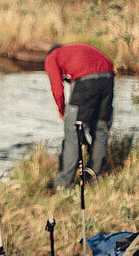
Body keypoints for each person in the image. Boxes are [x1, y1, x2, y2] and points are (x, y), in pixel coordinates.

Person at [44, 42, 115, 189]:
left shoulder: (52, 57)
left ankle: (63, 186)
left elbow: (57, 88)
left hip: (86, 81)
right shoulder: (76, 49)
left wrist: (62, 111)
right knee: (101, 130)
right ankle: (93, 179)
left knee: (73, 133)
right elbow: (108, 64)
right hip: (108, 78)